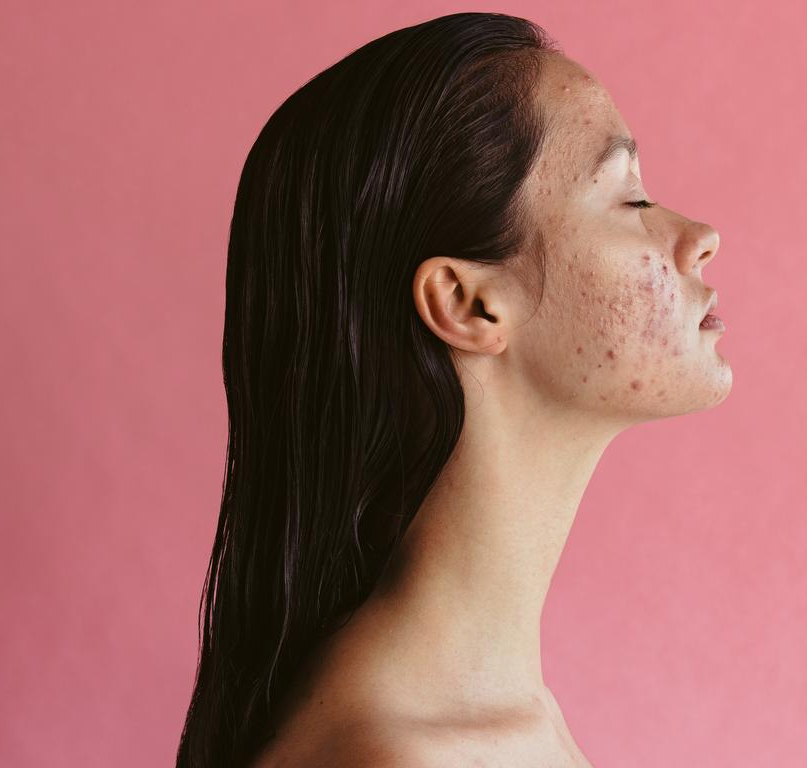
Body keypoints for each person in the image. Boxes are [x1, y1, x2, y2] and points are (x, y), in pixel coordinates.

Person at [176, 11, 729, 768]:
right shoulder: (401, 754)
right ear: (468, 304)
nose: (698, 236)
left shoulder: (508, 717)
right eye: (629, 199)